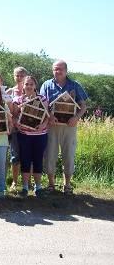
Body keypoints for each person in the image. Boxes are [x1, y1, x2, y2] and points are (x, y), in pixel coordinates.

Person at [40, 60, 88, 194]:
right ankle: (51, 184)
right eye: (55, 69)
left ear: (66, 70)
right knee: (50, 154)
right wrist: (49, 115)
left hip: (69, 126)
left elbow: (83, 105)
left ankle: (67, 185)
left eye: (60, 69)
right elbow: (43, 104)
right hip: (51, 125)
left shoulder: (75, 85)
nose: (57, 71)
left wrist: (76, 118)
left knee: (69, 154)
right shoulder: (46, 85)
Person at [13, 76, 50, 197]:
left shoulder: (43, 99)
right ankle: (24, 188)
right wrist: (17, 124)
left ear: (35, 86)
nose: (28, 86)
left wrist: (43, 125)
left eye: (31, 84)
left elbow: (47, 116)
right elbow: (13, 116)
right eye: (26, 84)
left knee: (38, 160)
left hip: (40, 135)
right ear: (23, 86)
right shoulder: (18, 100)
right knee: (25, 160)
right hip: (24, 135)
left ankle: (38, 187)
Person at [6, 66, 28, 193]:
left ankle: (27, 182)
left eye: (21, 75)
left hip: (28, 129)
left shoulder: (31, 90)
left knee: (27, 156)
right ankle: (14, 181)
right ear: (14, 76)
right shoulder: (9, 92)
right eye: (17, 75)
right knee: (15, 156)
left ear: (25, 76)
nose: (19, 77)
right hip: (14, 129)